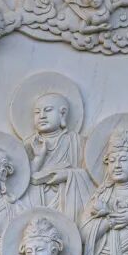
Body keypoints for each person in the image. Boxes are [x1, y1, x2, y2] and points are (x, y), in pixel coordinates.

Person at [23, 92, 93, 223]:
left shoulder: (78, 143)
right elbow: (20, 182)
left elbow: (91, 178)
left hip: (68, 205)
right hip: (37, 206)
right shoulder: (28, 145)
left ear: (63, 113)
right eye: (37, 112)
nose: (42, 116)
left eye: (48, 110)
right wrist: (38, 158)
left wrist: (68, 175)